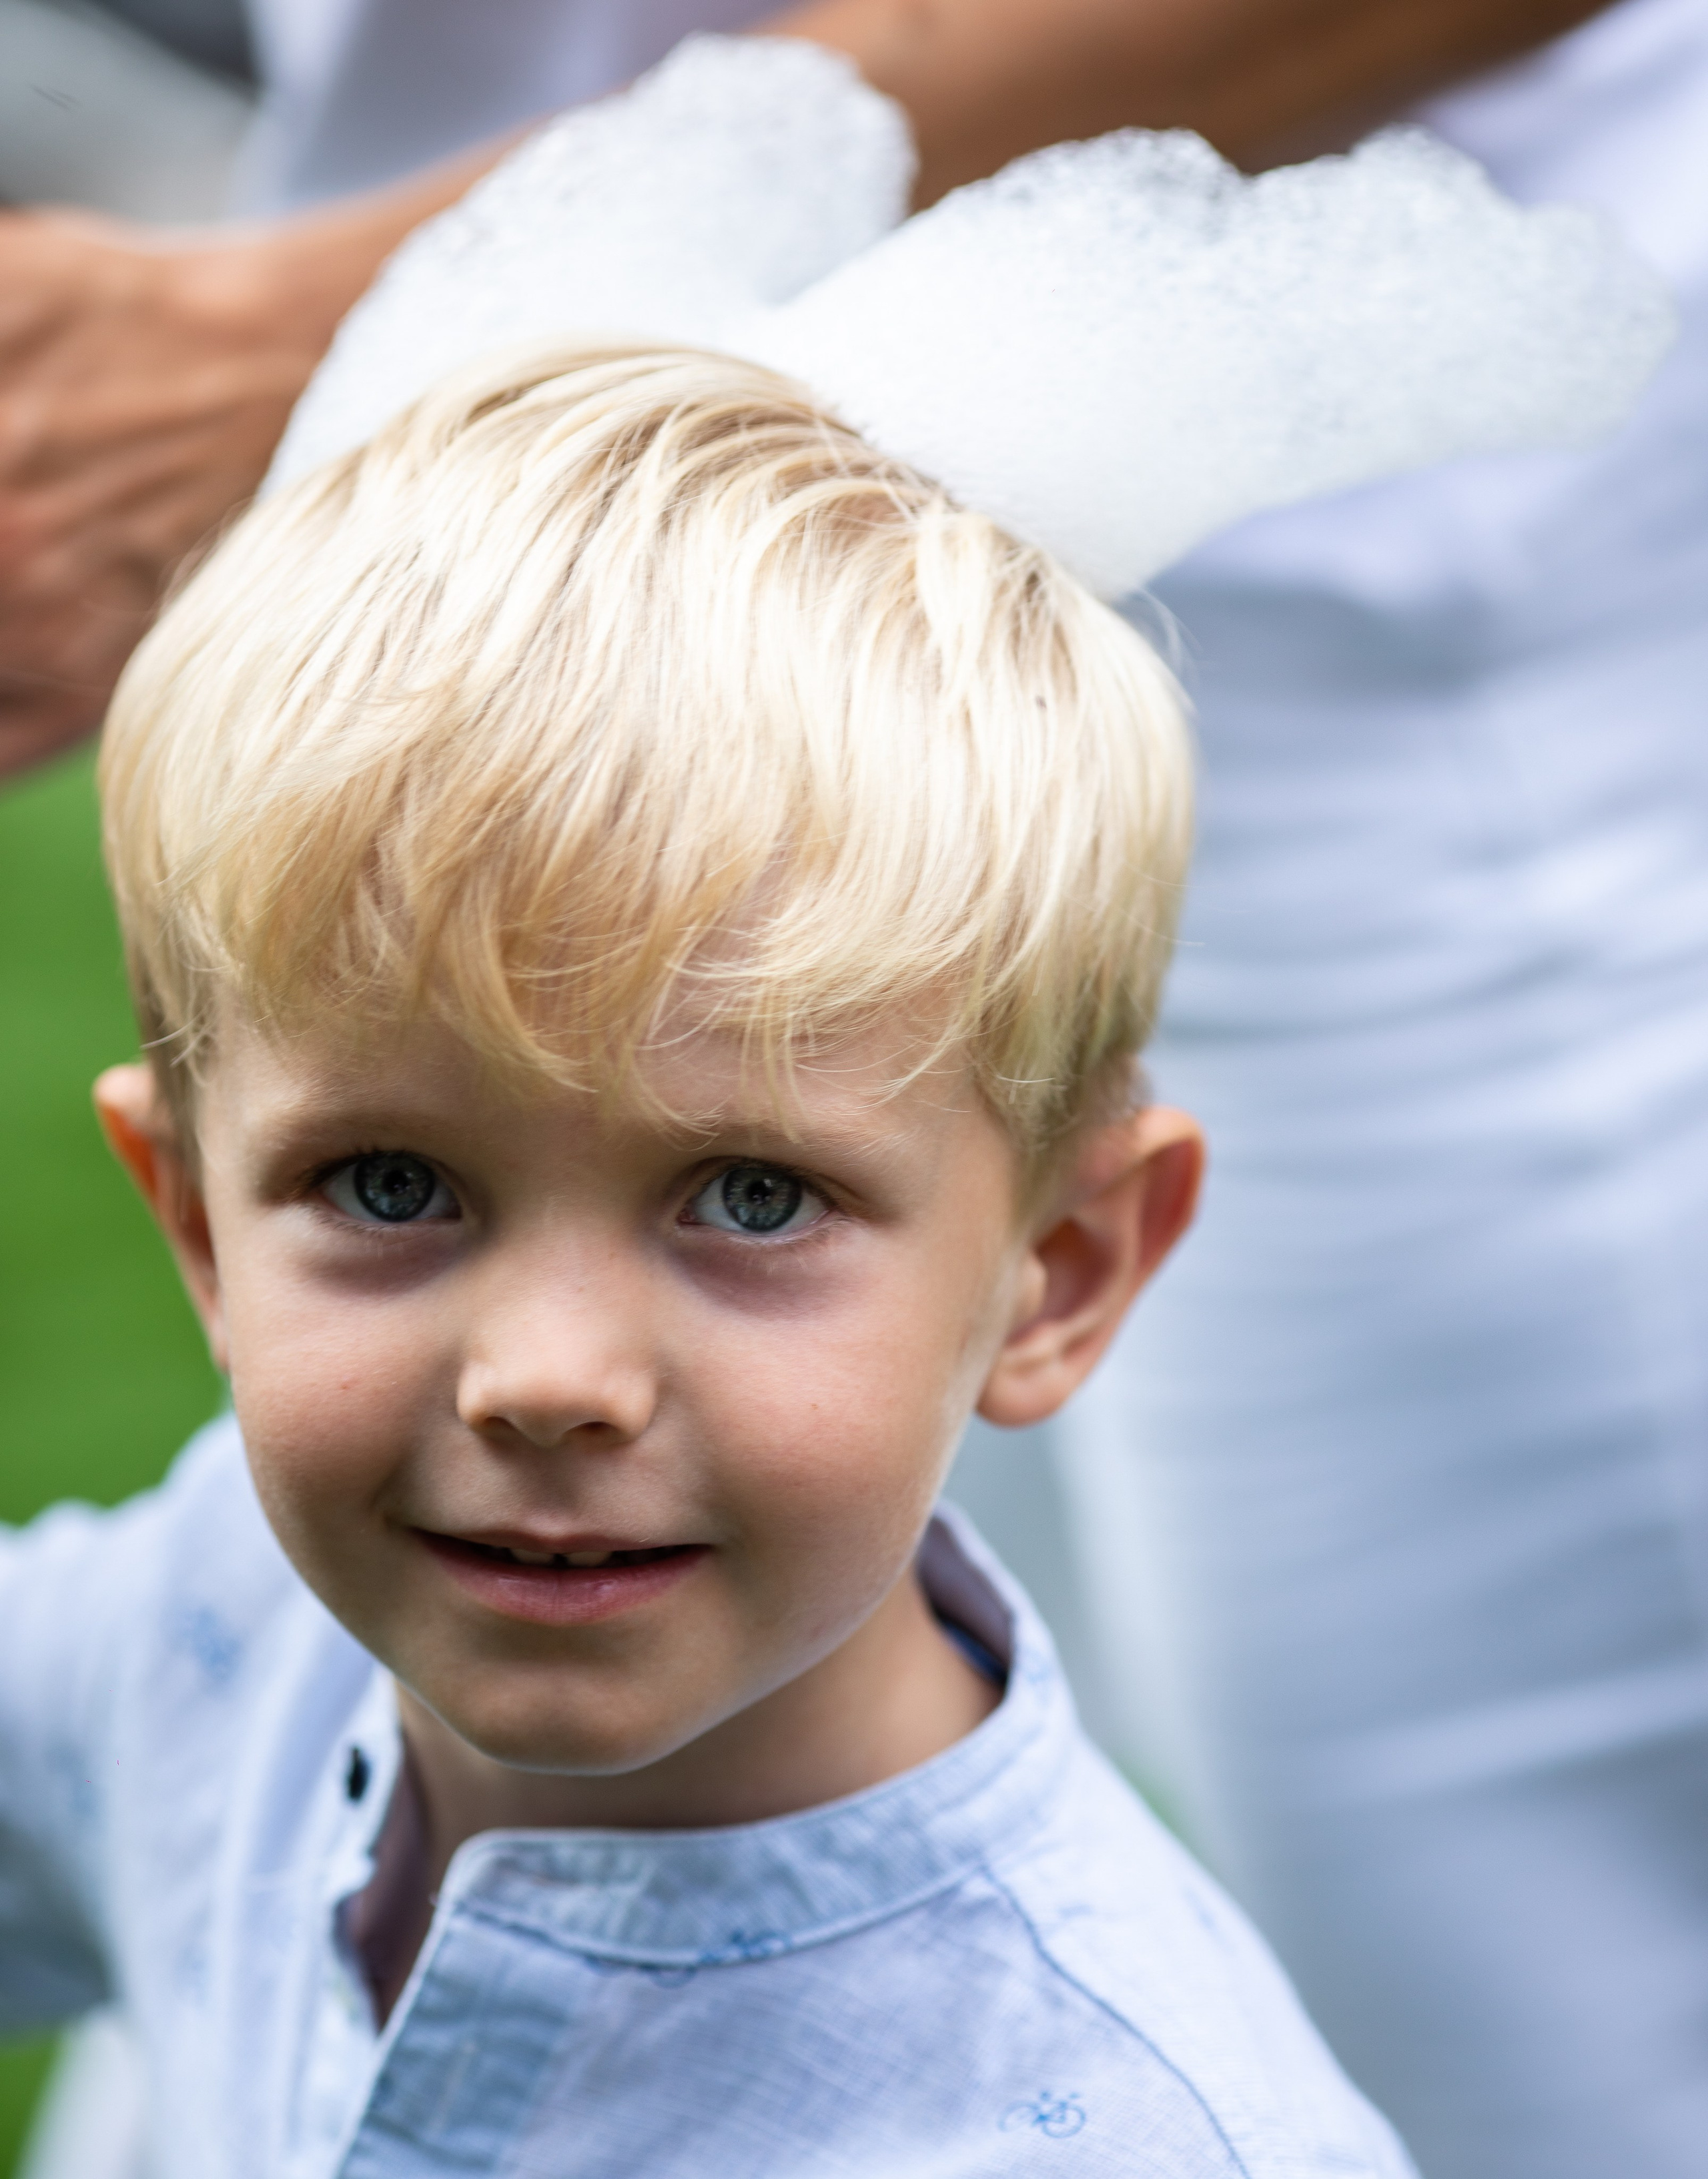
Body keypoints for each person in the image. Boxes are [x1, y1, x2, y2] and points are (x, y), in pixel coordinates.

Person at [1, 276, 1454, 2164]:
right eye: (389, 1185)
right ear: (200, 1226)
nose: (546, 1378)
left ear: (1059, 1271)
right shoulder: (234, 1626)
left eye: (755, 1198)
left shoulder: (1113, 2133)